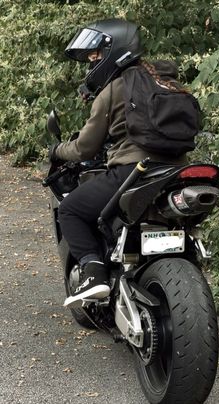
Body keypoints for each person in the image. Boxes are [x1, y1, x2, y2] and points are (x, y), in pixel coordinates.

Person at [50, 18, 188, 307]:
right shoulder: (168, 82)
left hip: (133, 172)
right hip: (177, 173)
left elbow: (85, 148)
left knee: (71, 210)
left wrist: (57, 150)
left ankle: (94, 272)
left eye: (95, 55)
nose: (92, 62)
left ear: (114, 50)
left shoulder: (114, 90)